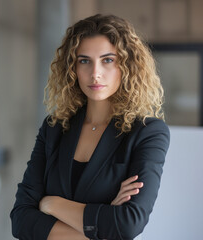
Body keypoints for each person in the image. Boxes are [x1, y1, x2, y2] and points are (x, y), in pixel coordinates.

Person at [10, 14, 170, 240]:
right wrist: (101, 230)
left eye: (108, 60)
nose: (95, 73)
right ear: (72, 68)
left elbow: (128, 224)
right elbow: (20, 221)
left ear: (127, 65)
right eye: (84, 60)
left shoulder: (147, 133)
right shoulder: (54, 128)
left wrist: (51, 204)